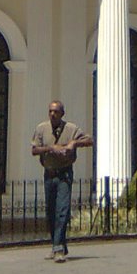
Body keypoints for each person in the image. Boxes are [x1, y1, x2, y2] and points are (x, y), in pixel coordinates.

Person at [32, 100, 93, 262]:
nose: (53, 114)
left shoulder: (71, 129)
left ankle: (58, 248)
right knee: (51, 211)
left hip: (64, 175)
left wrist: (74, 143)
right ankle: (57, 245)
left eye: (56, 112)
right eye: (50, 111)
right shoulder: (41, 128)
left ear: (62, 114)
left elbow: (89, 140)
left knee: (62, 211)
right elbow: (34, 150)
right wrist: (51, 148)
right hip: (49, 174)